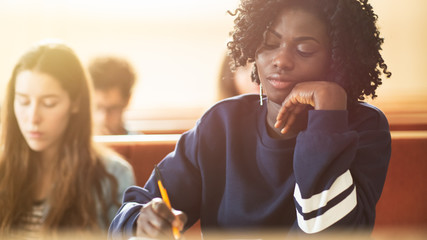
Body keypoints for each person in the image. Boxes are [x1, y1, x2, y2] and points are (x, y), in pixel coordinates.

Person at [109, 0, 392, 238]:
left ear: (338, 60)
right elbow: (130, 213)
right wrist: (141, 221)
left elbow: (328, 231)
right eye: (269, 43)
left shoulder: (364, 127)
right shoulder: (222, 123)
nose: (280, 60)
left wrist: (328, 111)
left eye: (304, 50)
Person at [0, 41, 135, 238]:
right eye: (23, 101)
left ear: (76, 103)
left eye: (49, 103)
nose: (33, 118)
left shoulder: (113, 175)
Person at [88, 56, 137, 135]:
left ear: (127, 101)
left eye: (113, 109)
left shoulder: (141, 144)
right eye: (97, 107)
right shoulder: (73, 145)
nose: (103, 119)